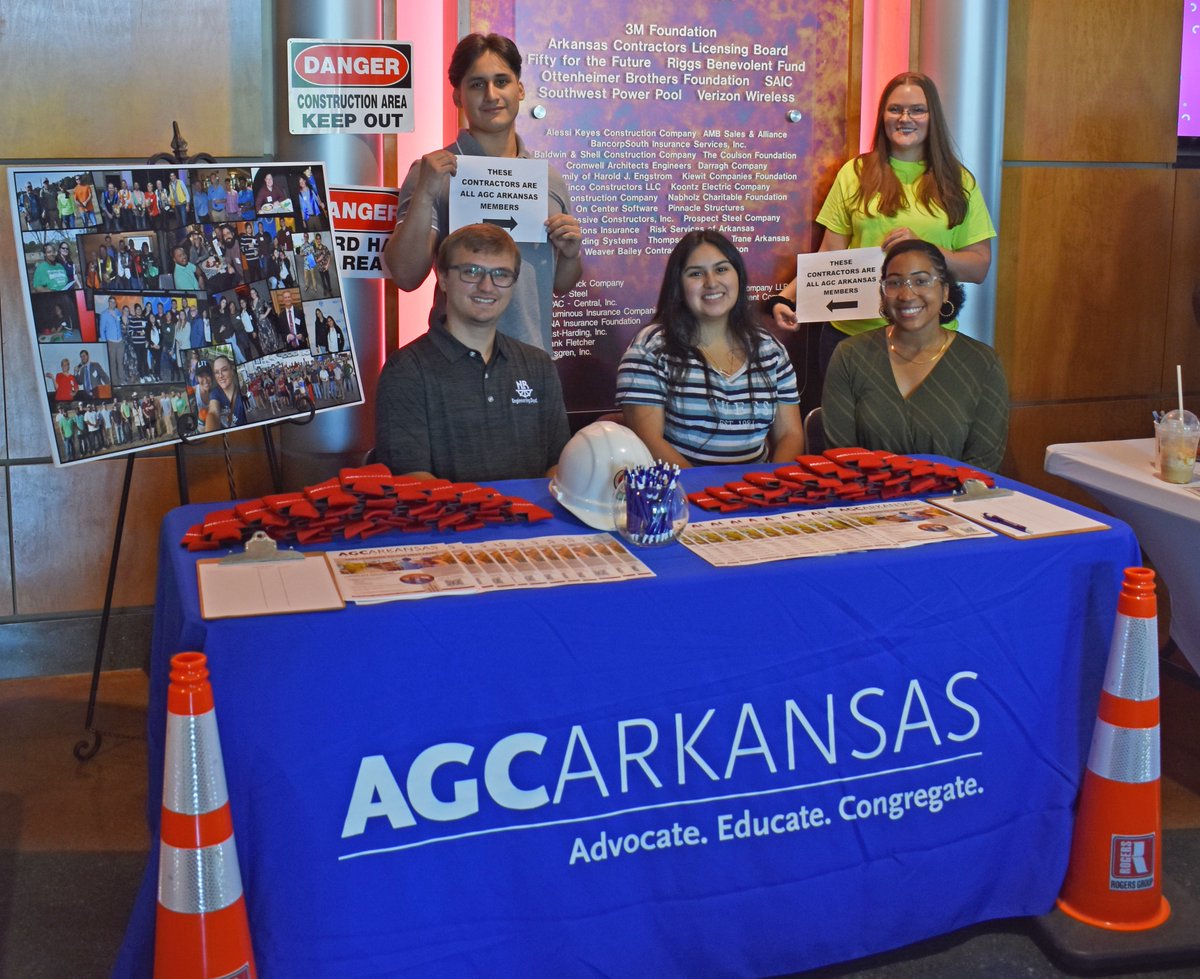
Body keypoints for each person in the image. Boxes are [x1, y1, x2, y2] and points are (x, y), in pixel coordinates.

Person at [769, 72, 996, 380]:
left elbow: (979, 267)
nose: (905, 118)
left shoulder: (959, 181)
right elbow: (830, 254)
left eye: (917, 109)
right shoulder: (855, 173)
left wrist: (926, 250)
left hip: (929, 339)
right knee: (846, 429)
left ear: (933, 117)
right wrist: (787, 298)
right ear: (883, 116)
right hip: (851, 336)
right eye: (895, 109)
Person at [384, 32, 582, 353]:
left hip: (531, 361)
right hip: (455, 362)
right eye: (477, 84)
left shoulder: (549, 180)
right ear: (457, 97)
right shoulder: (430, 172)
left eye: (501, 81)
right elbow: (406, 277)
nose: (491, 95)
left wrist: (571, 254)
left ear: (519, 90)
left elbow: (559, 284)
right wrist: (423, 195)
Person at [376, 223, 569, 481]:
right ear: (443, 279)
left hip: (538, 519)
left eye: (501, 274)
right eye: (472, 272)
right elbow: (412, 481)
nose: (487, 286)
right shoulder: (406, 371)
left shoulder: (538, 365)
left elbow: (560, 466)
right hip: (450, 520)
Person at [616, 230, 804, 467]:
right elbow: (648, 441)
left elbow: (791, 435)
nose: (712, 282)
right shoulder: (650, 349)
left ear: (738, 276)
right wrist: (703, 492)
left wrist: (771, 486)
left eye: (722, 269)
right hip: (683, 494)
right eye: (696, 273)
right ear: (678, 284)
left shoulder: (770, 350)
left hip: (757, 493)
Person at [822, 239, 1009, 471]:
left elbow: (982, 466)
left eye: (921, 281)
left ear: (945, 290)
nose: (906, 294)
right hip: (866, 501)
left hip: (953, 502)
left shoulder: (982, 364)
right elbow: (841, 457)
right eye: (895, 283)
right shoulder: (850, 356)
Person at [205, 355, 248, 431]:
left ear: (232, 371)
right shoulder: (215, 392)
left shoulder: (240, 398)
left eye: (224, 370)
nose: (220, 376)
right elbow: (213, 413)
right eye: (217, 372)